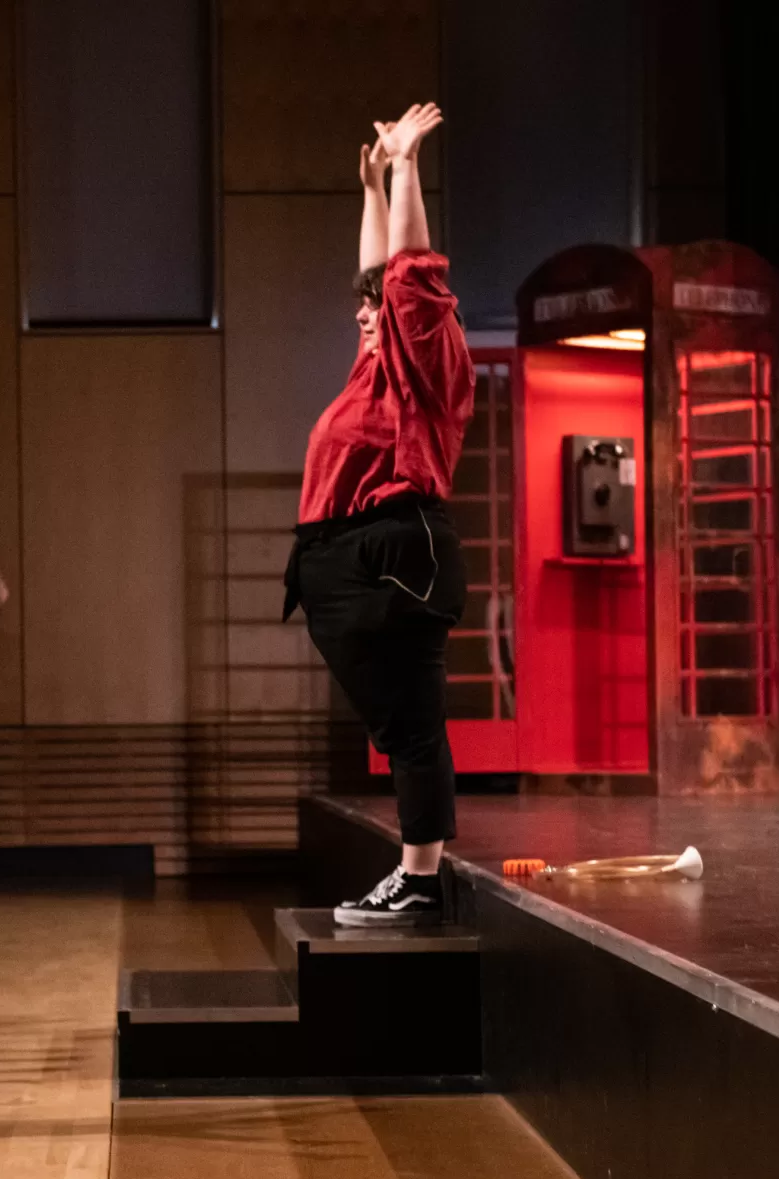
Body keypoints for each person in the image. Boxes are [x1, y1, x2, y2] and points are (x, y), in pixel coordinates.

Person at [284, 103, 474, 927]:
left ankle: (421, 876)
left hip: (395, 551)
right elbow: (377, 278)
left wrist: (405, 169)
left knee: (412, 725)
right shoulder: (375, 371)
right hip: (358, 559)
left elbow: (408, 273)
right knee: (403, 725)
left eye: (378, 313)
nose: (363, 318)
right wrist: (369, 190)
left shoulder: (425, 360)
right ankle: (416, 871)